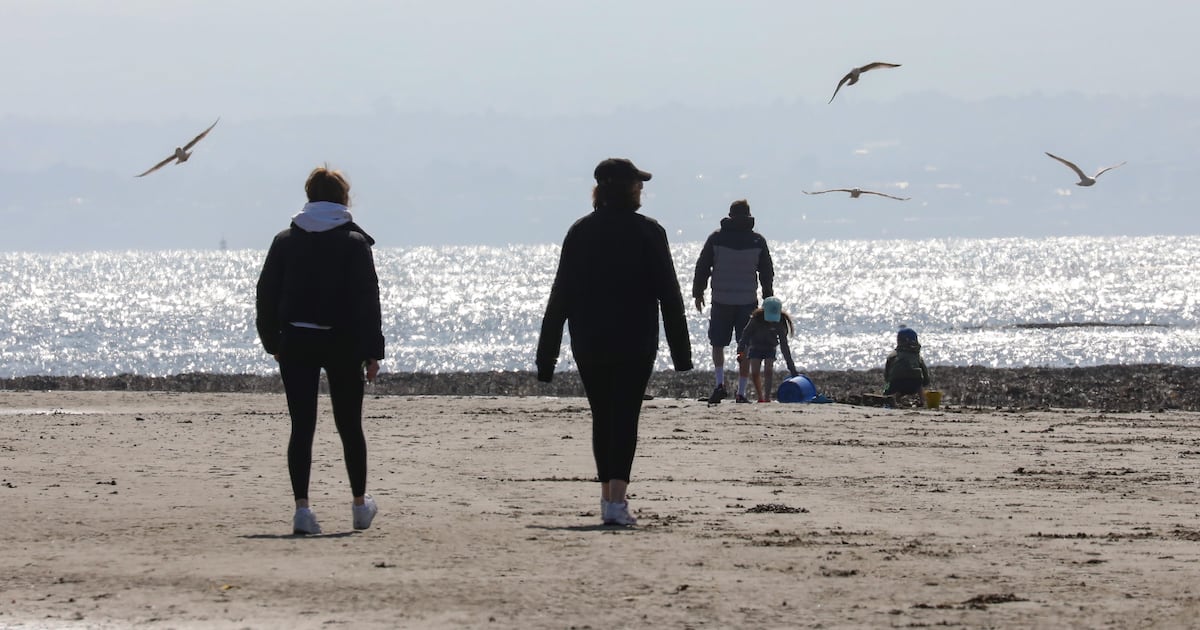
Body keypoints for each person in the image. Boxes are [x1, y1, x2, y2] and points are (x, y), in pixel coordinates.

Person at [536, 157, 693, 527]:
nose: (642, 189)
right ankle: (616, 501)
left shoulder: (579, 232)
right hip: (635, 340)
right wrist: (681, 354)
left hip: (589, 340)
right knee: (625, 416)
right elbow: (669, 295)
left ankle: (609, 497)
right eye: (638, 184)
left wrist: (547, 358)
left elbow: (560, 297)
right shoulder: (649, 232)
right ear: (626, 188)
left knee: (602, 415)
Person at [255, 165, 385, 535]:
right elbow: (367, 302)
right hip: (343, 342)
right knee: (349, 426)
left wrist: (273, 342)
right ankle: (360, 506)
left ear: (309, 196)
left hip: (296, 339)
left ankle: (302, 511)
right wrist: (373, 352)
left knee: (302, 427)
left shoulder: (286, 240)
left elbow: (266, 293)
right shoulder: (354, 243)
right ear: (344, 197)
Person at [692, 199, 774, 404]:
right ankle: (742, 392)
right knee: (744, 345)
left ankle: (720, 384)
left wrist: (698, 292)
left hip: (721, 299)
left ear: (730, 216)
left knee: (718, 343)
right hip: (747, 300)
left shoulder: (716, 239)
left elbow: (702, 266)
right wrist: (768, 298)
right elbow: (766, 272)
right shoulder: (757, 241)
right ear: (749, 217)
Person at [734, 296, 798, 403]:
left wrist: (792, 368)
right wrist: (740, 351)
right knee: (755, 372)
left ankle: (767, 397)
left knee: (768, 371)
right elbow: (745, 334)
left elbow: (784, 345)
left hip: (770, 348)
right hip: (755, 347)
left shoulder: (780, 322)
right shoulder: (755, 319)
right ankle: (760, 397)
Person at [884, 326, 932, 407]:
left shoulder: (892, 355)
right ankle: (922, 400)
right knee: (918, 381)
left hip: (896, 383)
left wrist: (885, 389)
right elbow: (925, 372)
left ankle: (896, 399)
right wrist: (926, 382)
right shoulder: (916, 356)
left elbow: (887, 376)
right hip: (914, 384)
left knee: (894, 386)